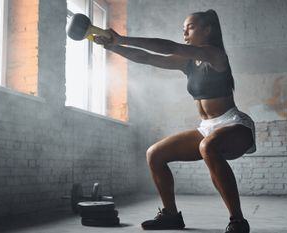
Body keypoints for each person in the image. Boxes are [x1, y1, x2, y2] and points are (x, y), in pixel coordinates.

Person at [94, 9, 256, 233]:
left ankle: (238, 221)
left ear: (207, 30)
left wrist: (121, 38)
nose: (184, 33)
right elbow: (148, 57)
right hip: (207, 128)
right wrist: (114, 47)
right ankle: (171, 215)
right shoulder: (188, 63)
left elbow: (170, 47)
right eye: (183, 29)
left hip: (234, 124)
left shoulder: (215, 55)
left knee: (207, 146)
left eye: (189, 27)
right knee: (155, 154)